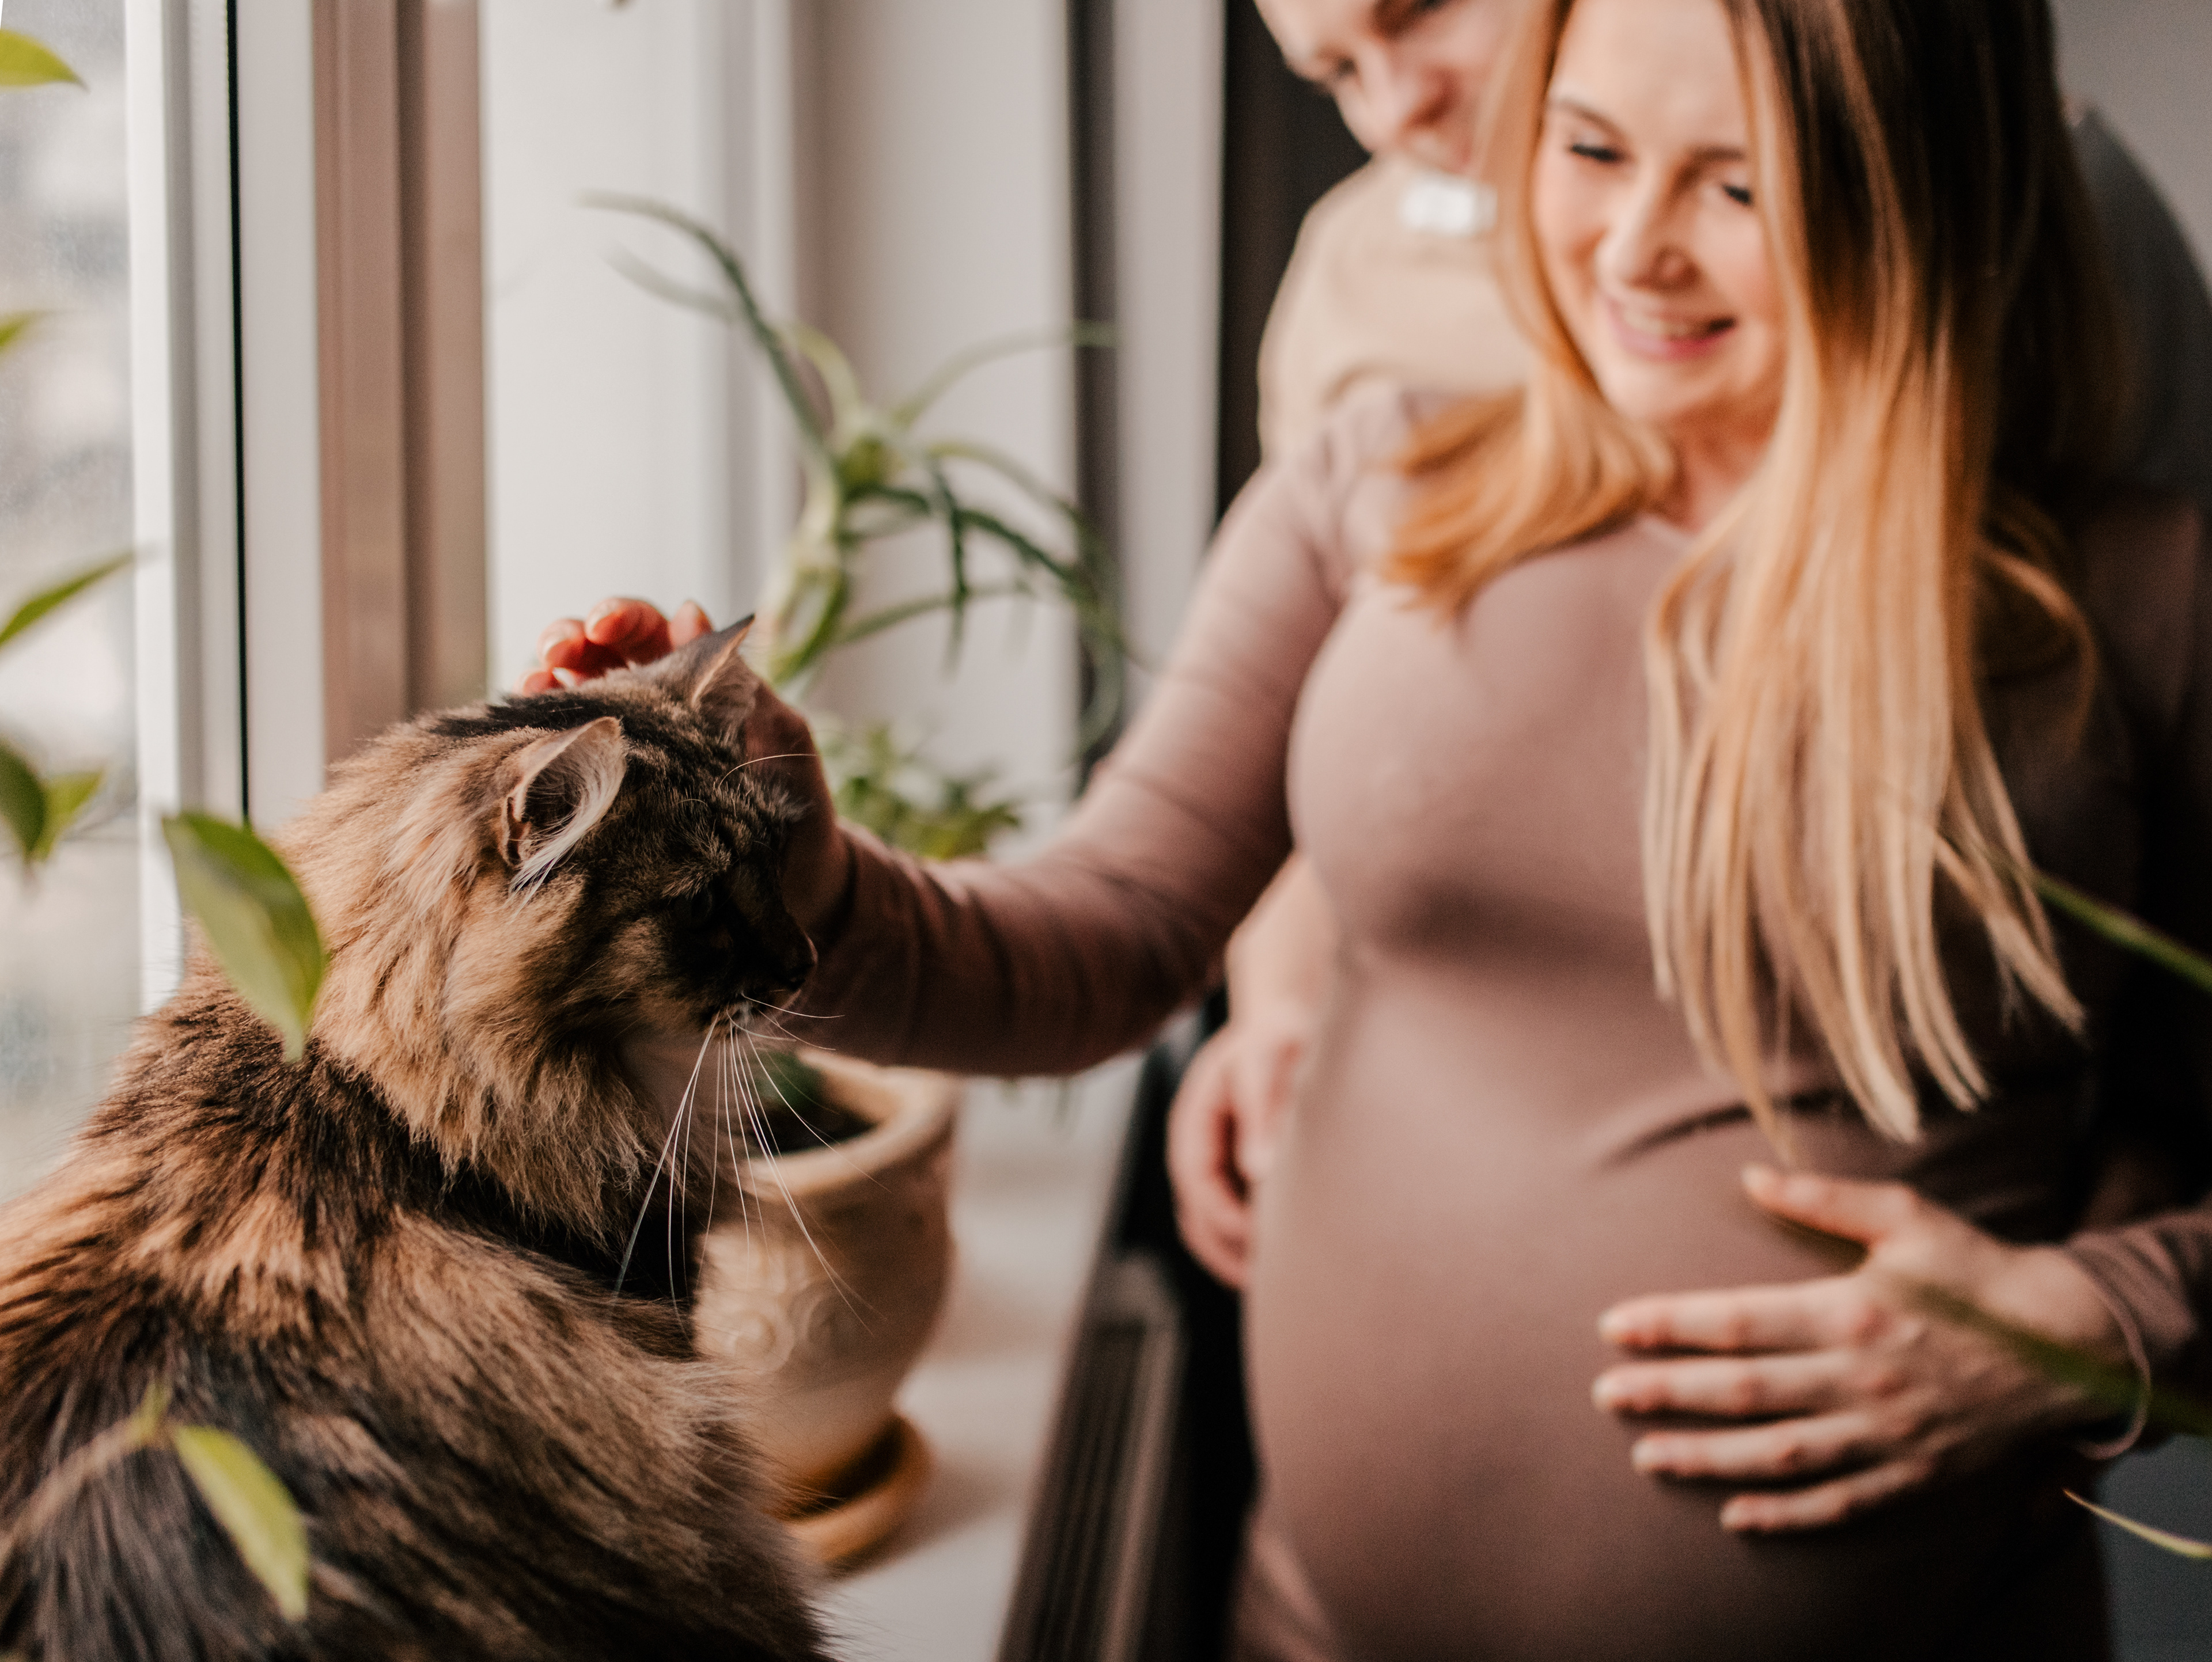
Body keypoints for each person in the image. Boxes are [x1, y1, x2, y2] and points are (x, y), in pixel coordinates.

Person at [533, 1, 2212, 1655]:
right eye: (1591, 148)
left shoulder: (2145, 604)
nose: (1634, 248)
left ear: (1921, 193)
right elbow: (1092, 943)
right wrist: (794, 861)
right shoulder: (1378, 480)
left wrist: (2084, 1319)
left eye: (1737, 186)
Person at [1171, 0, 2212, 1303]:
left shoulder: (2039, 209)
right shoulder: (1358, 270)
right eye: (1334, 71)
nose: (1393, 111)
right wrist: (1279, 1006)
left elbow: (2155, 800)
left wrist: (2077, 1314)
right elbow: (1318, 726)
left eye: (1419, 13)